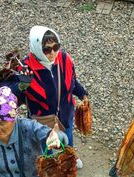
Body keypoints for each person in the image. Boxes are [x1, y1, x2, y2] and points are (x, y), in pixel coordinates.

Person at [20, 25, 88, 169]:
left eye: (56, 46)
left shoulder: (65, 59)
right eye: (47, 49)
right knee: (47, 144)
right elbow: (16, 95)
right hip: (43, 119)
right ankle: (50, 164)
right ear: (36, 48)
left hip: (65, 113)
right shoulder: (26, 69)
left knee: (68, 139)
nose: (53, 53)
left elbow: (72, 81)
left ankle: (70, 159)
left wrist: (82, 93)